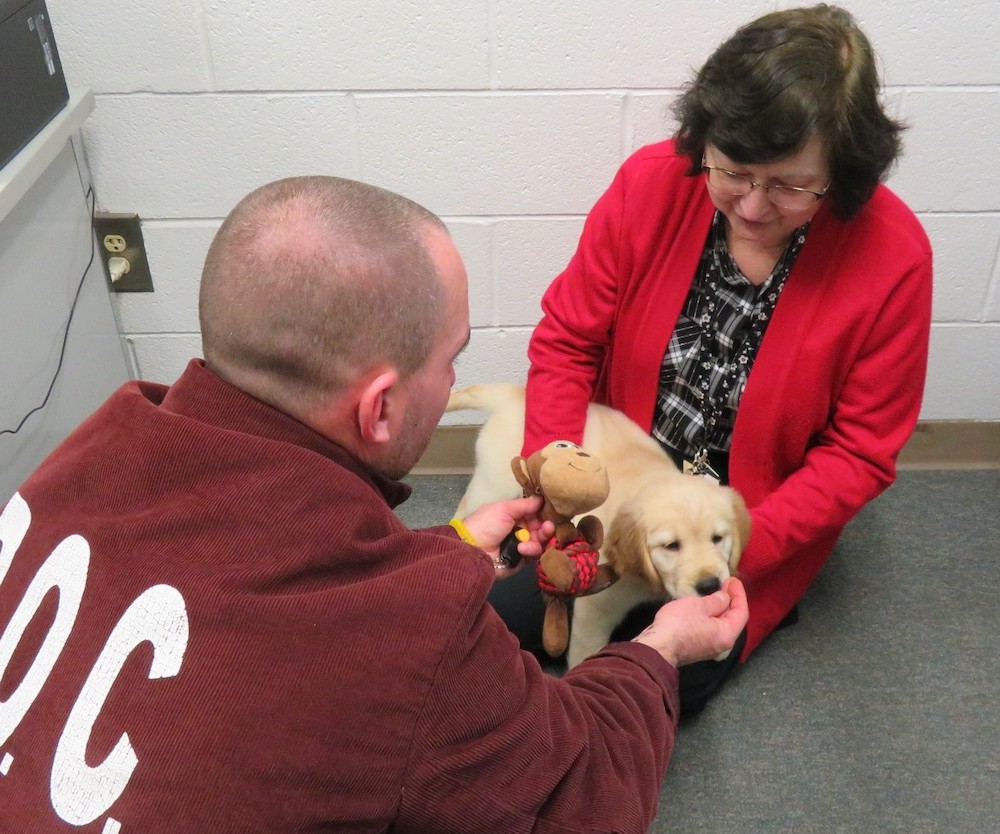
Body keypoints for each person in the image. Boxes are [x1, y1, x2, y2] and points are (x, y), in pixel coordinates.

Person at [0, 175, 747, 832]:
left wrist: (444, 546)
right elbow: (584, 797)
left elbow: (260, 585)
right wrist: (660, 651)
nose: (455, 376)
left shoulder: (87, 449)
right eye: (450, 359)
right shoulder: (413, 634)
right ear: (380, 408)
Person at [499, 4, 932, 712]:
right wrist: (556, 471)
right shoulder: (651, 183)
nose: (754, 206)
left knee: (658, 671)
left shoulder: (895, 259)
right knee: (488, 615)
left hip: (742, 523)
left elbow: (858, 455)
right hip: (617, 490)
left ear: (844, 176)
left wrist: (733, 550)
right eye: (732, 171)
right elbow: (569, 341)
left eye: (791, 185)